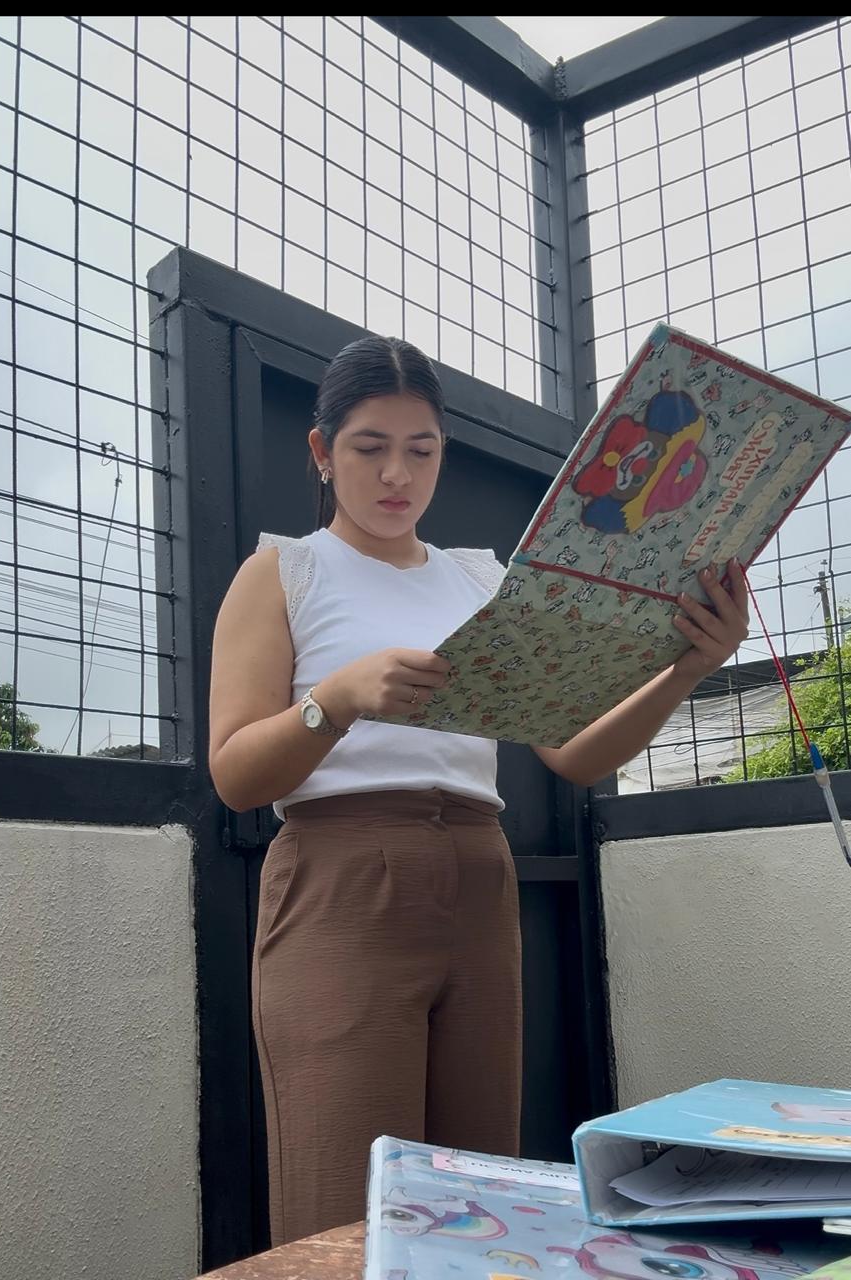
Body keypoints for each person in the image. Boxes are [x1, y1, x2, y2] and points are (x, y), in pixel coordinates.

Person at [208, 336, 749, 1245]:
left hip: (476, 874)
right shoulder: (285, 571)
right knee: (344, 1198)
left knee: (472, 1193)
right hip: (342, 876)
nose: (396, 474)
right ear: (321, 451)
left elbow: (572, 751)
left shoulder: (481, 579)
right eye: (369, 447)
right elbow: (233, 773)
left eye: (420, 450)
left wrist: (688, 668)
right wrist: (336, 701)